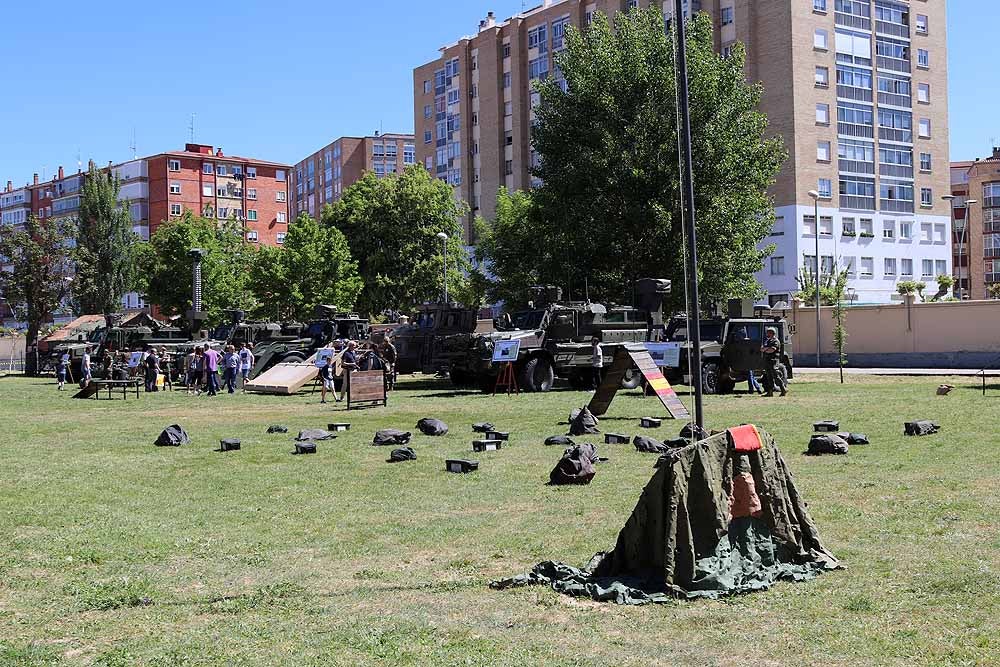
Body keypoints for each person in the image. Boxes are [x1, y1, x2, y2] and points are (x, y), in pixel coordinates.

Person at [761, 327, 787, 397]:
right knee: (769, 377)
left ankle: (783, 389)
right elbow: (762, 349)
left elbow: (771, 350)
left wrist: (766, 349)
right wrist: (766, 349)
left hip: (773, 361)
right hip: (767, 360)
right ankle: (770, 392)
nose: (767, 334)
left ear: (772, 333)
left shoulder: (775, 341)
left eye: (768, 333)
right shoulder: (767, 341)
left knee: (776, 376)